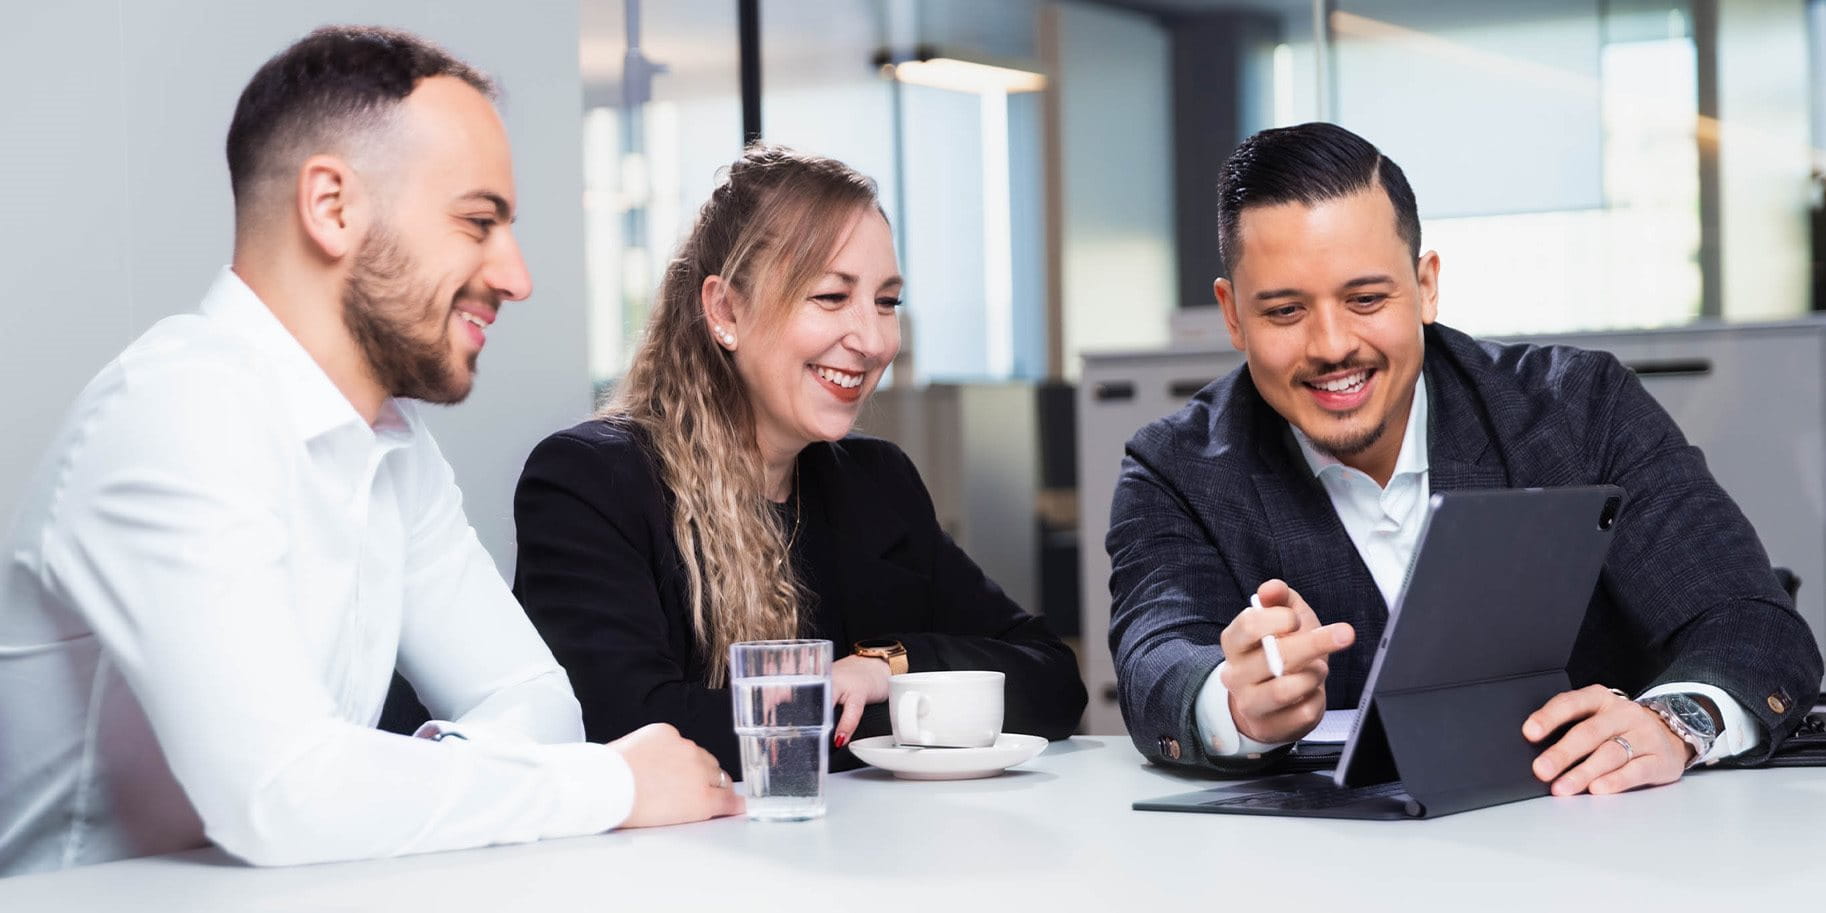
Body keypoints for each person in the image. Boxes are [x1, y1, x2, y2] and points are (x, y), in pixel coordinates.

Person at [0, 26, 738, 877]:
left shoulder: (394, 444)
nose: (517, 276)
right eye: (478, 222)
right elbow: (282, 795)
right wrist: (610, 783)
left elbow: (536, 701)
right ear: (332, 207)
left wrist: (388, 780)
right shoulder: (175, 410)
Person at [1107, 122, 1823, 794]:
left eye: (1366, 298)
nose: (1331, 345)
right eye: (1285, 311)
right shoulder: (1176, 468)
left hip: (1602, 831)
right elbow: (1157, 660)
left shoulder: (1578, 408)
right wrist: (1231, 702)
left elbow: (1750, 622)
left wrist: (1673, 723)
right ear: (1233, 314)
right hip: (1333, 858)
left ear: (1426, 286)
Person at [509, 145, 1086, 774]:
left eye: (887, 302)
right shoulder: (591, 483)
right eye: (831, 296)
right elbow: (633, 733)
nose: (873, 340)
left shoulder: (876, 483)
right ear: (726, 311)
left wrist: (888, 666)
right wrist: (888, 711)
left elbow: (1052, 681)